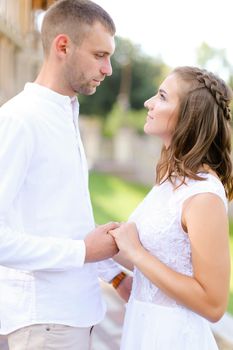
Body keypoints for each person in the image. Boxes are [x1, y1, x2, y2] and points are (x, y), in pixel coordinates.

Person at [0, 1, 131, 349]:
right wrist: (82, 253)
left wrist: (113, 274)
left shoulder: (65, 114)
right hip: (44, 323)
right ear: (63, 46)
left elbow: (66, 220)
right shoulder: (19, 120)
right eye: (100, 55)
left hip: (76, 315)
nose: (108, 69)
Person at [110, 66, 233, 349]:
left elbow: (213, 304)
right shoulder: (171, 179)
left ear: (188, 117)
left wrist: (137, 253)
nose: (148, 103)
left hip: (174, 338)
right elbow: (163, 261)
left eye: (162, 97)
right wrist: (112, 249)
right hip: (142, 329)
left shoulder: (203, 195)